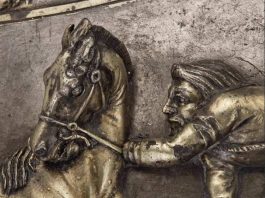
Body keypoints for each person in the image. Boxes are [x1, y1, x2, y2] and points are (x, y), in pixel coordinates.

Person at [123, 60, 265, 198]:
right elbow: (220, 187)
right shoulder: (217, 154)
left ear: (206, 101)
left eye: (181, 100)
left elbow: (174, 151)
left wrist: (126, 149)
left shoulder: (227, 103)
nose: (166, 109)